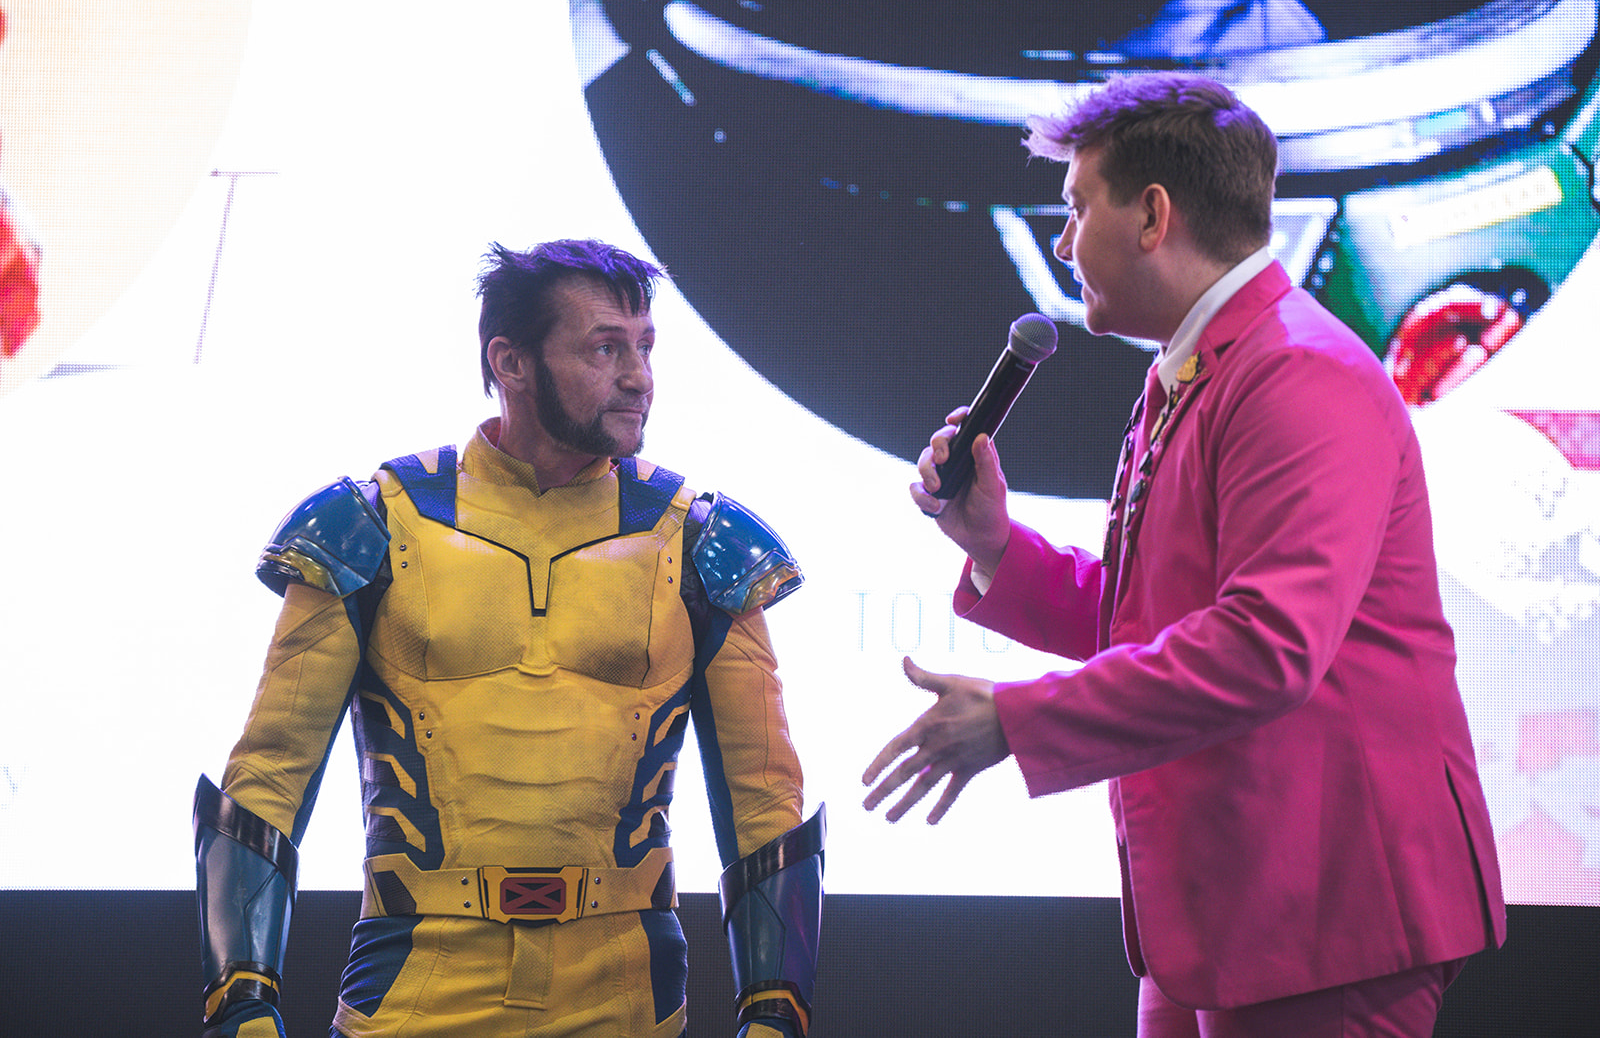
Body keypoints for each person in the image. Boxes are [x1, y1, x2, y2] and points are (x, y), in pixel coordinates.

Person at [862, 73, 1504, 1037]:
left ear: (1153, 215)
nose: (1062, 242)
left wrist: (1016, 720)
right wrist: (995, 545)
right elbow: (1150, 618)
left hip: (1328, 910)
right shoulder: (1200, 366)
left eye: (1077, 208)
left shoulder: (1298, 371)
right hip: (1229, 902)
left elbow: (1265, 647)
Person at [194, 239, 824, 1038]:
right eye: (605, 348)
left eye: (645, 346)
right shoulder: (371, 524)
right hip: (415, 992)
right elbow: (268, 774)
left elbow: (765, 797)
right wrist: (242, 1000)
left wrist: (775, 1012)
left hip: (626, 998)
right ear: (511, 362)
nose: (639, 376)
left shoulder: (703, 542)